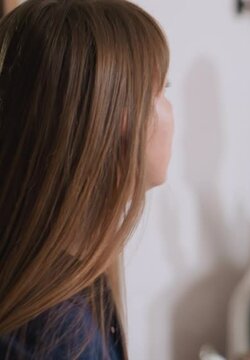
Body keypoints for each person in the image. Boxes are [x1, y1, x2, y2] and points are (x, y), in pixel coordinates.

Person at [0, 0, 173, 359]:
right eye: (162, 90)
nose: (170, 108)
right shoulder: (60, 336)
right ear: (119, 120)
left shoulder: (66, 288)